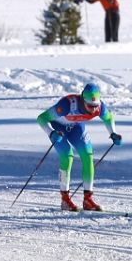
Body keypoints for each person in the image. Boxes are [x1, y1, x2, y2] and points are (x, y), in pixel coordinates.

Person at [36, 82, 121, 212]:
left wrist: (113, 133)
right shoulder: (66, 105)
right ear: (82, 100)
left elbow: (109, 118)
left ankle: (88, 199)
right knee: (67, 156)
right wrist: (51, 133)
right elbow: (41, 118)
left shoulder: (100, 107)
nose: (93, 109)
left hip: (77, 128)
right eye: (90, 106)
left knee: (88, 156)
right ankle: (65, 200)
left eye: (95, 106)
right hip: (59, 129)